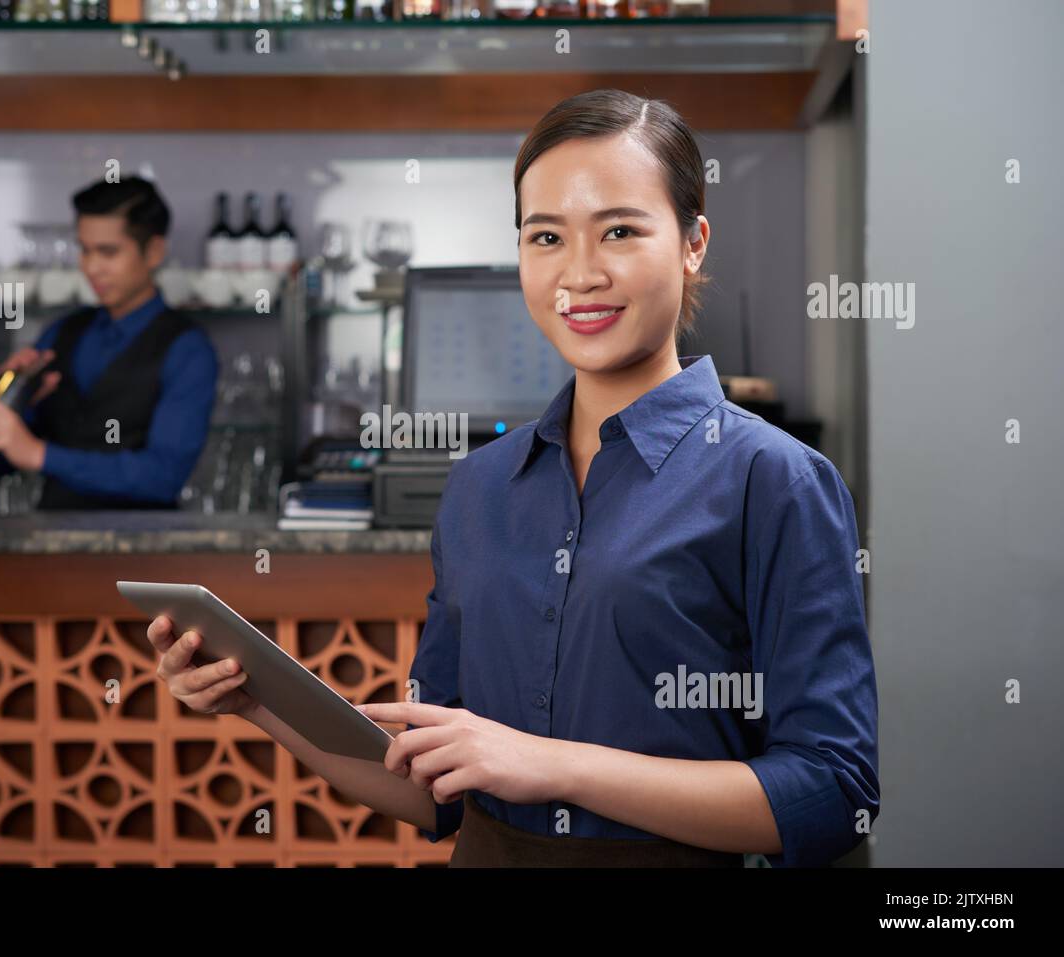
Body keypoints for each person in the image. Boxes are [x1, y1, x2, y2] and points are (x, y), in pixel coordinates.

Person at [142, 89, 880, 867]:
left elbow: (835, 791)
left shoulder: (776, 479)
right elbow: (435, 790)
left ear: (694, 242)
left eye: (621, 230)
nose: (580, 273)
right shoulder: (480, 486)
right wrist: (256, 699)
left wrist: (546, 761)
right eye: (546, 237)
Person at [0, 175, 218, 510]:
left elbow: (162, 477)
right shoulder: (62, 333)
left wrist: (41, 455)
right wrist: (12, 399)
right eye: (84, 250)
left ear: (154, 251)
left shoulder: (187, 349)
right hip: (53, 546)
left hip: (144, 551)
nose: (91, 267)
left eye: (108, 252)